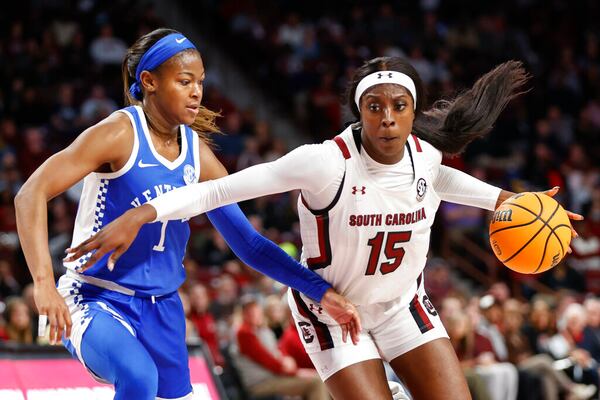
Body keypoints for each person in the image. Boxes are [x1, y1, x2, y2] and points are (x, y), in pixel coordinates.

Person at [67, 56, 584, 399]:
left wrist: (506, 200)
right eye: (374, 107)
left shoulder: (425, 158)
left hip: (404, 306)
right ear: (359, 112)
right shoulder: (323, 162)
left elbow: (445, 178)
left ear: (412, 114)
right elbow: (221, 190)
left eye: (399, 107)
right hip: (335, 311)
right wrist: (145, 212)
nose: (387, 117)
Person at [14, 28, 360, 400]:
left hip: (163, 309)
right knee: (139, 377)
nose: (197, 91)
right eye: (184, 81)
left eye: (200, 82)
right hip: (96, 297)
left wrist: (320, 291)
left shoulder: (200, 157)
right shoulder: (118, 133)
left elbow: (249, 245)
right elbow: (30, 194)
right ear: (149, 82)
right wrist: (44, 285)